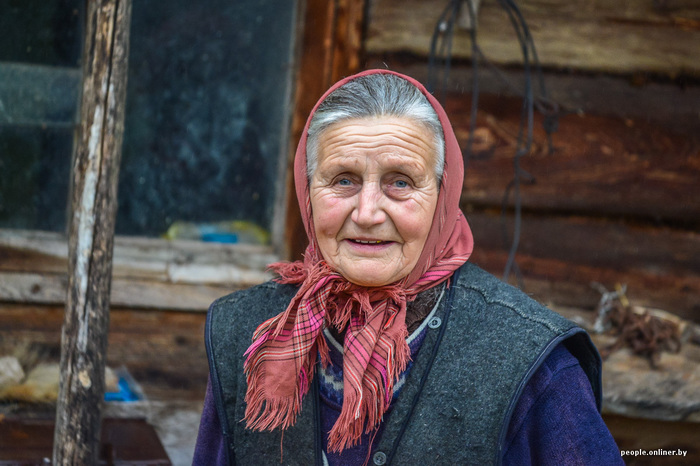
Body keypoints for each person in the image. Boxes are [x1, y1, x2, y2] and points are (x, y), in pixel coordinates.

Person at [194, 70, 623, 465]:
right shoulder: (246, 335)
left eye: (400, 182)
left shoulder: (534, 366)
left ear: (443, 196)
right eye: (343, 179)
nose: (366, 213)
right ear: (307, 192)